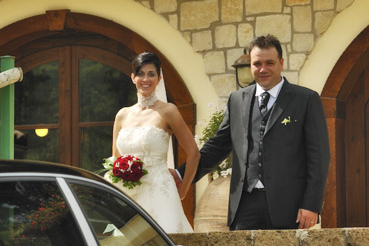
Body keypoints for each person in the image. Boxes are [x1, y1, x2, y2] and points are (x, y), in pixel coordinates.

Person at [177, 34, 330, 230]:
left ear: (281, 63)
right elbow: (218, 147)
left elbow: (319, 157)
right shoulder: (237, 100)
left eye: (269, 63)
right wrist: (181, 175)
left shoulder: (306, 99)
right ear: (250, 65)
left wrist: (311, 205)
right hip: (244, 204)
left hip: (289, 206)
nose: (263, 69)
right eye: (257, 63)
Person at [111, 51, 200, 233]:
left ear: (159, 79)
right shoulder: (122, 115)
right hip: (129, 195)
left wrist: (183, 190)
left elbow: (194, 153)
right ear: (132, 77)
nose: (146, 79)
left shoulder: (168, 111)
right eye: (141, 73)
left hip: (160, 192)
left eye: (151, 74)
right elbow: (115, 161)